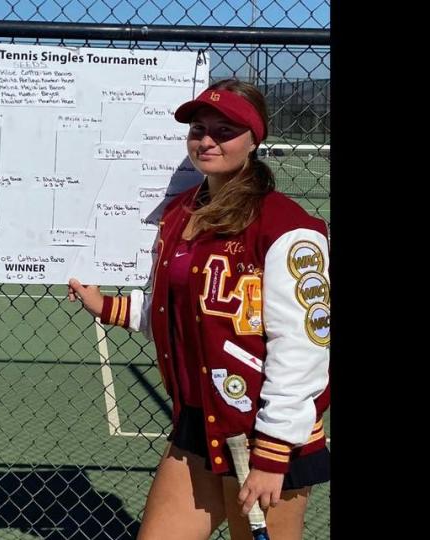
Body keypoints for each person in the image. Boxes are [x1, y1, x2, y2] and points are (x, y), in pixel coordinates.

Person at [67, 79, 330, 540]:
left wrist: (271, 454)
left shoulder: (287, 228)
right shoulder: (181, 213)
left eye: (224, 129)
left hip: (262, 433)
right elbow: (172, 312)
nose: (207, 140)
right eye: (198, 128)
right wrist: (106, 305)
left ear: (254, 139)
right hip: (198, 421)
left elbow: (304, 347)